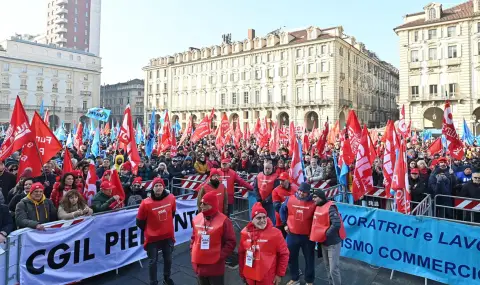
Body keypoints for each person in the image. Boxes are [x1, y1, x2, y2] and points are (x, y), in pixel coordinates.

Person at [190, 191, 236, 285]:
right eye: (201, 203)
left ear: (212, 205)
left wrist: (219, 256)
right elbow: (193, 238)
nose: (201, 206)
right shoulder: (197, 218)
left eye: (205, 204)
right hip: (199, 266)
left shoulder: (224, 221)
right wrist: (192, 251)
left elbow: (231, 242)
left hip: (215, 268)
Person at [136, 177, 176, 285]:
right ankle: (153, 282)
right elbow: (139, 221)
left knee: (168, 259)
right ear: (152, 188)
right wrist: (150, 229)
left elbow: (172, 213)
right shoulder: (146, 203)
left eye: (160, 185)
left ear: (164, 187)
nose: (158, 188)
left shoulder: (171, 198)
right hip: (152, 238)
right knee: (153, 261)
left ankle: (166, 278)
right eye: (156, 186)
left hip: (167, 236)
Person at [238, 202, 289, 285]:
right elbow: (241, 254)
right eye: (258, 218)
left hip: (267, 279)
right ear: (252, 219)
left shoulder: (275, 233)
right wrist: (242, 272)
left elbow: (284, 254)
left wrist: (279, 274)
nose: (262, 220)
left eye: (264, 217)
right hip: (249, 278)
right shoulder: (244, 232)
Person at [280, 182, 316, 285]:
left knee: (309, 259)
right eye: (300, 190)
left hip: (307, 237)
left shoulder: (314, 203)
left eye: (304, 192)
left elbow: (318, 219)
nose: (301, 193)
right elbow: (282, 210)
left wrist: (314, 232)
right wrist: (284, 224)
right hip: (292, 235)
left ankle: (309, 281)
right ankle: (295, 278)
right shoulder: (290, 199)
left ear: (308, 193)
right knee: (291, 257)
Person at [310, 189, 346, 285]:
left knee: (333, 269)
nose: (313, 199)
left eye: (315, 197)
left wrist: (325, 234)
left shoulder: (330, 207)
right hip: (324, 242)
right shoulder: (317, 206)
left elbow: (337, 224)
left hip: (332, 243)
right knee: (327, 266)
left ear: (321, 198)